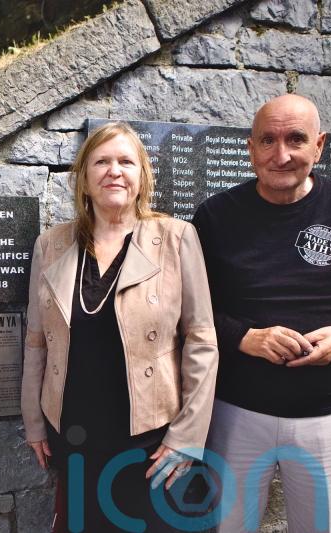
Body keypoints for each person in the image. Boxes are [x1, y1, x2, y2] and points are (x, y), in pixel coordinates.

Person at [192, 94, 331, 533]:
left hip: (328, 416)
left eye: (296, 139)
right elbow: (190, 307)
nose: (282, 154)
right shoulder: (215, 216)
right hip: (236, 414)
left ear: (319, 145)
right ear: (250, 148)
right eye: (267, 140)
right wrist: (243, 337)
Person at [21, 122, 218, 531]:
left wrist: (186, 436)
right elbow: (37, 342)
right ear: (85, 178)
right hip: (72, 433)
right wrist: (35, 421)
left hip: (149, 440)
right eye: (102, 161)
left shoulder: (177, 238)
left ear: (142, 175)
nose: (115, 171)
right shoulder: (51, 245)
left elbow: (202, 341)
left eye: (126, 161)